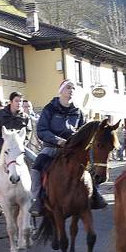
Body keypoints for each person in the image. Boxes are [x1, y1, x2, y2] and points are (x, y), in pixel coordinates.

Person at [32, 80, 106, 215]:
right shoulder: (49, 108)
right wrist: (58, 140)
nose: (70, 90)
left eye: (72, 88)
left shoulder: (78, 111)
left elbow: (84, 132)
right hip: (53, 147)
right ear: (61, 91)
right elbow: (42, 130)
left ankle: (95, 194)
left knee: (90, 166)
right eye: (67, 88)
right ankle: (37, 199)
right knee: (37, 166)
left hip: (74, 149)